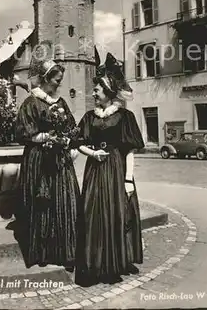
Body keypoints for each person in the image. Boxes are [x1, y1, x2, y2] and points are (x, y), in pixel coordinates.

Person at [75, 52, 145, 287]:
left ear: (108, 92)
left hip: (116, 169)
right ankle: (94, 263)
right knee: (92, 213)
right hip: (95, 171)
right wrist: (92, 153)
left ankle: (115, 263)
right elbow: (78, 143)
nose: (93, 93)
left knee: (116, 213)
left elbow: (130, 150)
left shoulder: (125, 117)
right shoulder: (88, 117)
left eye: (97, 90)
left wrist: (128, 181)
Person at [14, 44, 80, 271]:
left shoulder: (61, 103)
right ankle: (43, 252)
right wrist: (46, 137)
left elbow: (72, 128)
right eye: (56, 80)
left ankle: (65, 252)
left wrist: (68, 141)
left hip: (60, 161)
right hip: (39, 161)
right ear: (44, 79)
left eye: (60, 80)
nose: (59, 84)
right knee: (43, 206)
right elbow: (24, 133)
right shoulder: (31, 103)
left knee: (64, 203)